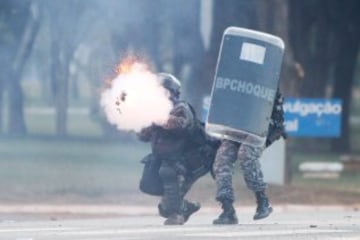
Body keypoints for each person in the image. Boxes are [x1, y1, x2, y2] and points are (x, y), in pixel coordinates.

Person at [137, 73, 219, 225]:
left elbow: (182, 126)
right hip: (167, 160)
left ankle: (177, 214)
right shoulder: (154, 110)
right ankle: (184, 207)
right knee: (155, 195)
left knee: (168, 171)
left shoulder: (181, 107)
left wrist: (160, 117)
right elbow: (142, 136)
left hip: (191, 160)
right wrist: (144, 122)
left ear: (171, 92)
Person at [212, 89, 286, 224]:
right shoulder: (233, 80)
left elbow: (277, 116)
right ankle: (227, 209)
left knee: (246, 154)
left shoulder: (265, 80)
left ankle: (263, 201)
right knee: (221, 160)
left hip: (259, 127)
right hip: (237, 127)